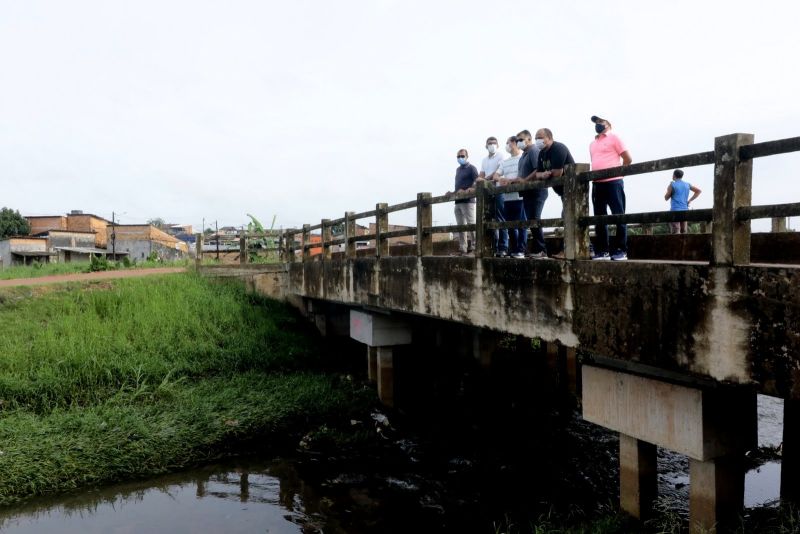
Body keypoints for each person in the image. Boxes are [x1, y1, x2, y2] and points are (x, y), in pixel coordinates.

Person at [589, 115, 632, 261]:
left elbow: (628, 159)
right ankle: (603, 250)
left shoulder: (615, 137)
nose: (598, 124)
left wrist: (619, 175)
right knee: (600, 218)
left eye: (601, 121)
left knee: (618, 215)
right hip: (597, 183)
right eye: (596, 122)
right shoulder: (592, 143)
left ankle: (621, 250)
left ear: (608, 123)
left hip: (614, 182)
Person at [532, 128, 575, 258]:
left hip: (572, 190)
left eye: (540, 137)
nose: (537, 140)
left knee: (570, 219)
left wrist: (545, 174)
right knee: (566, 219)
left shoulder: (558, 148)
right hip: (562, 192)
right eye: (536, 138)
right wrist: (544, 174)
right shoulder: (541, 153)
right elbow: (537, 174)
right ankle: (569, 250)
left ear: (549, 137)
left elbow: (557, 173)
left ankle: (569, 250)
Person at [492, 136, 526, 258]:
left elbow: (522, 175)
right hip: (507, 198)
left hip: (520, 197)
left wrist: (510, 181)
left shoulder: (522, 158)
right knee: (510, 226)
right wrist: (501, 179)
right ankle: (514, 249)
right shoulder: (504, 162)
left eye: (508, 143)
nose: (507, 145)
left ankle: (521, 249)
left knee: (522, 225)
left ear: (514, 143)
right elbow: (496, 175)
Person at [476, 137, 508, 256]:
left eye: (494, 143)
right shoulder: (484, 160)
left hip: (498, 190)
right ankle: (492, 247)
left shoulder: (501, 156)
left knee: (501, 219)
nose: (492, 145)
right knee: (488, 220)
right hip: (488, 193)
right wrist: (480, 179)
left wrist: (483, 179)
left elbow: (497, 173)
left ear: (498, 145)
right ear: (486, 146)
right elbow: (481, 174)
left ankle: (503, 247)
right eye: (489, 143)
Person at [517, 130, 546, 258]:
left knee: (535, 220)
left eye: (521, 139)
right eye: (517, 140)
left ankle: (542, 249)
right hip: (527, 193)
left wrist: (525, 180)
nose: (519, 142)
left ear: (529, 139)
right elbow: (521, 174)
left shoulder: (534, 151)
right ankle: (537, 249)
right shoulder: (524, 154)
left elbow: (537, 169)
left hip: (537, 191)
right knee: (531, 221)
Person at [452, 148, 478, 255]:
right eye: (458, 156)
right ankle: (463, 248)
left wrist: (469, 189)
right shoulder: (458, 170)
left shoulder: (472, 168)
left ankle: (475, 247)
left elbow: (477, 182)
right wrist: (452, 193)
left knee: (471, 225)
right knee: (461, 226)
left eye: (462, 156)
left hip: (468, 201)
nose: (460, 158)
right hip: (458, 201)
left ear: (467, 156)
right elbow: (458, 186)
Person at [664, 169, 701, 234]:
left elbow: (666, 198)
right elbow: (698, 191)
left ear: (674, 175)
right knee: (684, 231)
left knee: (676, 231)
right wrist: (690, 200)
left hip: (675, 210)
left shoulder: (672, 185)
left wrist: (668, 189)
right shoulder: (687, 184)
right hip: (685, 210)